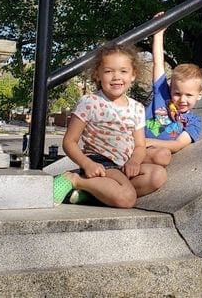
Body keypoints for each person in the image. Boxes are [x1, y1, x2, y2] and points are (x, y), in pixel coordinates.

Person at [53, 44, 167, 207]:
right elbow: (69, 142)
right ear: (97, 74)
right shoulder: (90, 102)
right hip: (100, 163)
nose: (116, 77)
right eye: (108, 71)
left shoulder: (137, 108)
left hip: (124, 164)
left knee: (158, 175)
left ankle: (91, 194)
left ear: (133, 75)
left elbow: (140, 145)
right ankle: (75, 180)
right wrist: (87, 164)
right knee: (127, 198)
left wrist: (134, 161)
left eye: (123, 71)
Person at [143, 13, 202, 167]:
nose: (182, 99)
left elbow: (177, 144)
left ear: (199, 95)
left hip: (149, 152)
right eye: (177, 93)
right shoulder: (162, 95)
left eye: (189, 95)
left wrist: (147, 142)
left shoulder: (193, 122)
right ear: (170, 89)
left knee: (162, 157)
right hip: (131, 143)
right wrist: (158, 33)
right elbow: (158, 62)